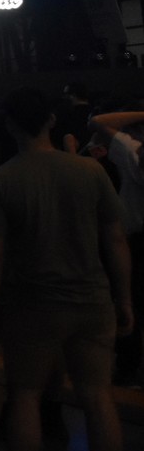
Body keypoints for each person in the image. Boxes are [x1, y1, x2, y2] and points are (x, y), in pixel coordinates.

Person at [0, 88, 134, 451]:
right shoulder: (89, 172)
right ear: (51, 120)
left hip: (29, 303)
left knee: (26, 395)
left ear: (10, 125)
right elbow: (115, 239)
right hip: (91, 298)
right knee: (98, 397)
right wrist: (125, 298)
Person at [90, 106, 144, 387]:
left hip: (136, 240)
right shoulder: (130, 149)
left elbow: (98, 122)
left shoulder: (130, 149)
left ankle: (127, 368)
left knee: (129, 301)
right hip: (134, 239)